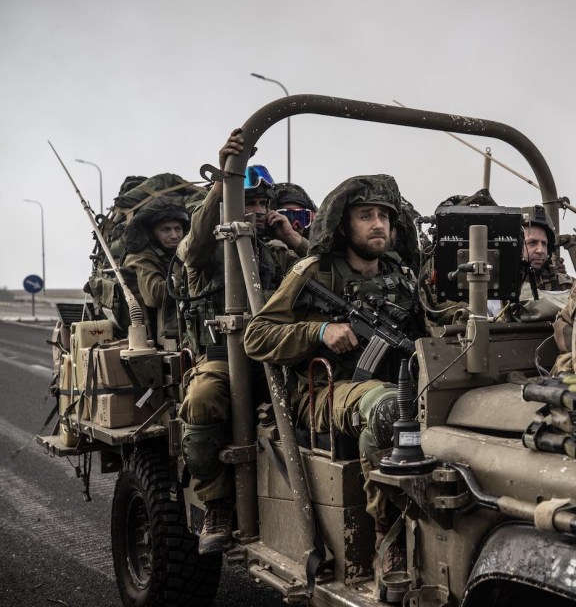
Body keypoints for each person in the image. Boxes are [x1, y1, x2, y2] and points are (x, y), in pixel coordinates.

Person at [244, 174, 424, 579]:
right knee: (389, 408)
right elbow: (256, 337)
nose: (378, 224)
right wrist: (320, 331)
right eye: (366, 216)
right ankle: (388, 539)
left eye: (384, 216)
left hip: (393, 379)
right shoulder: (314, 271)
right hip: (324, 390)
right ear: (344, 224)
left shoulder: (403, 275)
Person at [176, 129, 311, 555]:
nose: (254, 211)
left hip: (274, 354)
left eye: (259, 204)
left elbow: (320, 275)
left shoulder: (275, 251)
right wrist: (221, 186)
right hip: (221, 356)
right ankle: (216, 505)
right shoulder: (207, 250)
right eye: (246, 202)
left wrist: (293, 238)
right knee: (201, 399)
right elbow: (193, 247)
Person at [121, 198, 189, 347]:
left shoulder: (182, 251)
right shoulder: (141, 256)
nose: (174, 235)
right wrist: (191, 278)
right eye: (165, 230)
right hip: (157, 340)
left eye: (178, 229)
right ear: (152, 233)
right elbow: (155, 294)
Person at [520, 204, 572, 297]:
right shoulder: (491, 284)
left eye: (544, 244)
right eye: (532, 243)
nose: (541, 250)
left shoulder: (564, 286)